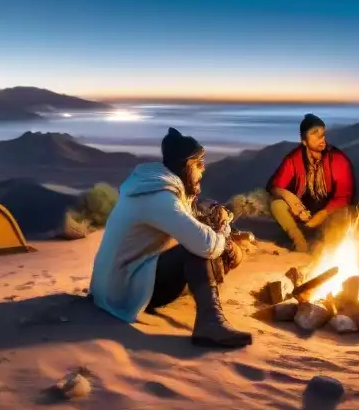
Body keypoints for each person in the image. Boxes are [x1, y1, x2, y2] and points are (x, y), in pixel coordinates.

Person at [89, 127, 252, 348]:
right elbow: (203, 243)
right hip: (122, 294)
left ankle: (209, 301)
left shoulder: (155, 187)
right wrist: (223, 233)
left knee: (207, 245)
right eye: (198, 164)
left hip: (113, 286)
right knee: (199, 248)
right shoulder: (158, 197)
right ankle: (210, 323)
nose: (203, 170)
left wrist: (220, 233)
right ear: (185, 165)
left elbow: (193, 222)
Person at [267, 113, 356, 253]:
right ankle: (300, 243)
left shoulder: (338, 159)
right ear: (304, 141)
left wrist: (320, 216)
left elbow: (344, 197)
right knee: (277, 205)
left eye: (322, 133)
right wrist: (289, 197)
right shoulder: (294, 159)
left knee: (344, 213)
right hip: (303, 215)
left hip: (328, 215)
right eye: (315, 133)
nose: (322, 138)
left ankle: (325, 247)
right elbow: (274, 186)